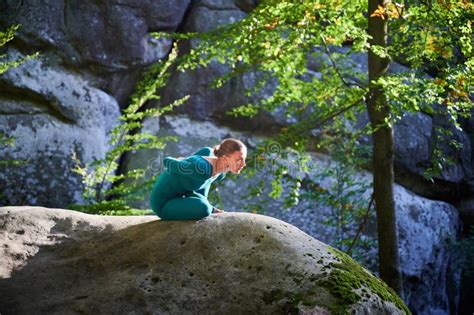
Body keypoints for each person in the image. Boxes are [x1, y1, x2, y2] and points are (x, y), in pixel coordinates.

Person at [150, 138, 247, 220]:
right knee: (205, 209)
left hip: (181, 197)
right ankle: (211, 209)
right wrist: (182, 162)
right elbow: (167, 161)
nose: (243, 164)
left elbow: (205, 152)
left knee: (205, 204)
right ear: (225, 158)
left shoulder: (220, 173)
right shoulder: (201, 169)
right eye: (239, 160)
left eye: (244, 160)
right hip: (163, 203)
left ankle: (210, 208)